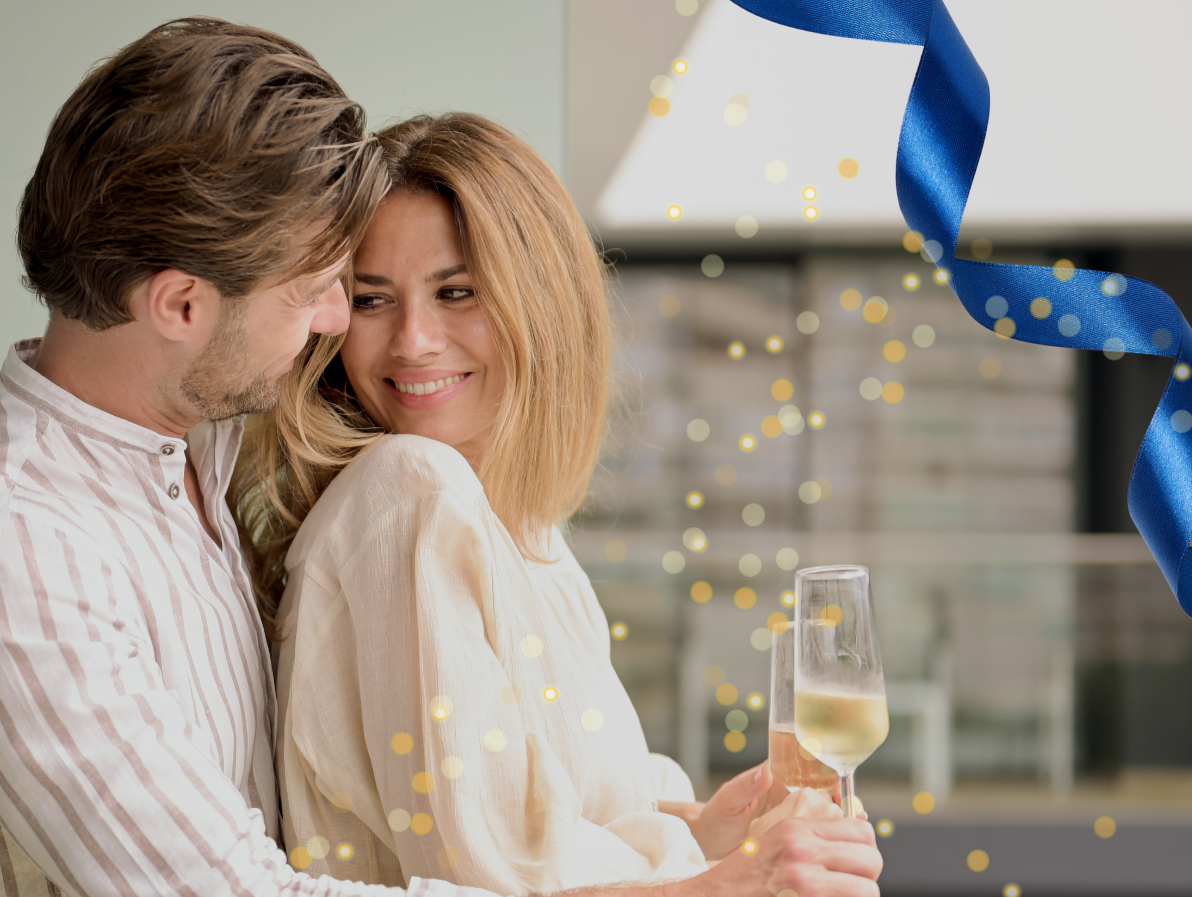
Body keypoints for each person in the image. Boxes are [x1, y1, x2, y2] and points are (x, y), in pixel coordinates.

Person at [0, 16, 882, 897]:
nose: (337, 327)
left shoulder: (200, 432)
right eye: (320, 292)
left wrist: (695, 833)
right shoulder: (33, 551)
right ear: (181, 306)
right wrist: (714, 888)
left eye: (455, 291)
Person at [238, 113, 872, 897]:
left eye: (456, 292)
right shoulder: (410, 492)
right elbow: (493, 876)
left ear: (538, 299)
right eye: (371, 300)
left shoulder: (528, 534)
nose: (413, 340)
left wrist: (704, 829)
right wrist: (733, 881)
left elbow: (551, 824)